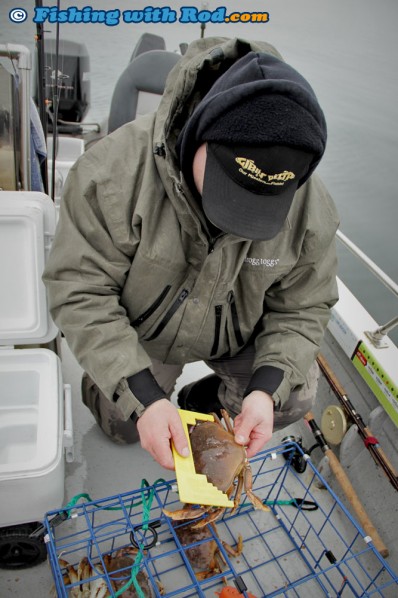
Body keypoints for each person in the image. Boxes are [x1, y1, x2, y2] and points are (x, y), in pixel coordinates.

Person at [43, 37, 339, 471]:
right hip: (143, 329)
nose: (237, 217)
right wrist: (143, 397)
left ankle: (199, 398)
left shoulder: (313, 209)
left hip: (237, 332)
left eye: (263, 203)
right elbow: (80, 290)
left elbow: (304, 307)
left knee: (289, 400)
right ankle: (144, 393)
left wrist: (264, 389)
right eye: (229, 188)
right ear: (200, 132)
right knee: (121, 425)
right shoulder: (110, 173)